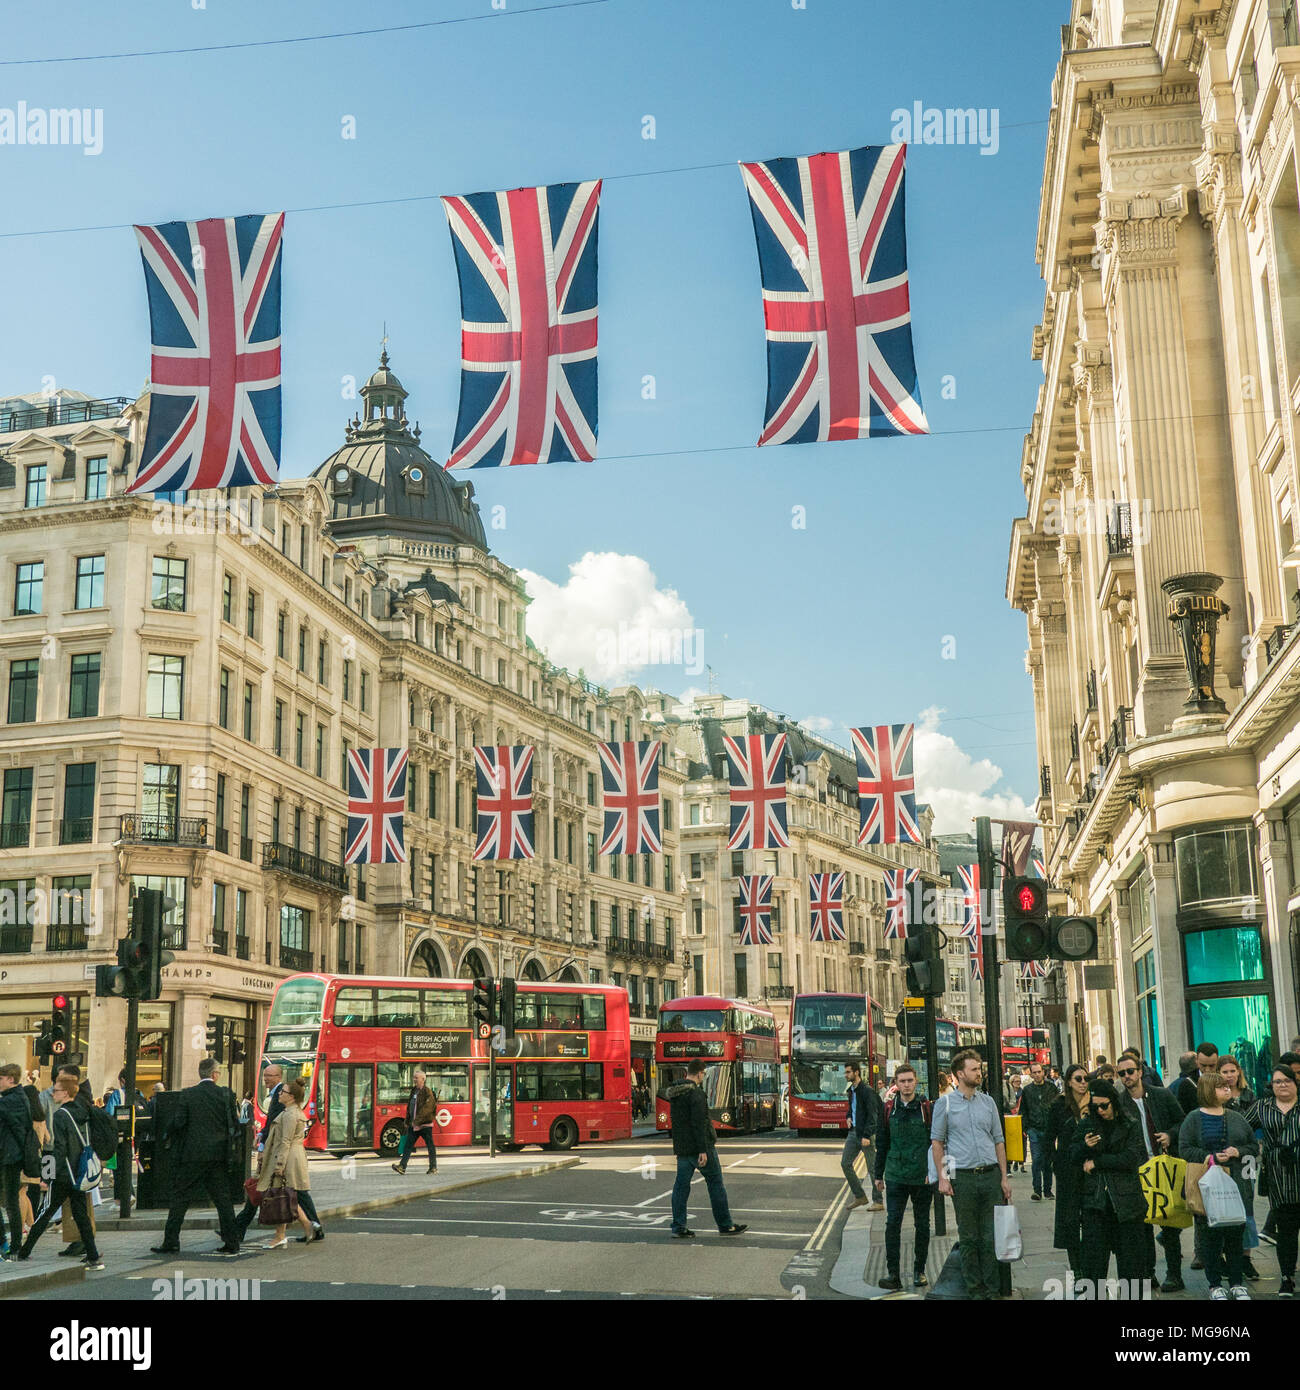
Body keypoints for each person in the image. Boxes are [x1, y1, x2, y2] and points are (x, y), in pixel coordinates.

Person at [931, 1049, 1012, 1300]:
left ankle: (993, 1290)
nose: (980, 1073)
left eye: (980, 1068)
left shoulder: (988, 1102)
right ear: (960, 1074)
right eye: (974, 1069)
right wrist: (943, 1178)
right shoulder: (944, 1104)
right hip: (962, 1177)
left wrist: (1004, 1177)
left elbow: (999, 1141)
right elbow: (937, 1143)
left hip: (990, 1176)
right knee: (969, 1237)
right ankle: (975, 1290)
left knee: (990, 1237)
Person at [1178, 1072, 1259, 1301]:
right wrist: (1211, 1157)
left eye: (1227, 1086)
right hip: (1206, 1186)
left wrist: (1238, 1151)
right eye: (1220, 1087)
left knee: (1235, 1235)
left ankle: (1236, 1283)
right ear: (1207, 1090)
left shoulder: (1235, 1117)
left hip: (1235, 1184)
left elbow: (1253, 1146)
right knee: (1210, 1238)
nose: (1227, 1089)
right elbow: (1184, 1149)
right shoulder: (1193, 1118)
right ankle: (1215, 1284)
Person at [150, 1058, 241, 1256]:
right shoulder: (225, 1094)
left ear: (201, 1073)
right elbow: (234, 1123)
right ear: (215, 1074)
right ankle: (231, 1241)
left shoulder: (188, 1094)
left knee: (180, 1198)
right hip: (218, 1156)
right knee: (223, 1200)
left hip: (192, 1155)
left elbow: (180, 1122)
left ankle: (171, 1241)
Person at [12, 1075, 103, 1270]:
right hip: (78, 1172)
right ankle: (94, 1256)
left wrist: (47, 1175)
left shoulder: (61, 1115)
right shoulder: (82, 1111)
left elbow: (57, 1148)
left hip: (63, 1174)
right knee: (80, 1215)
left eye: (58, 1090)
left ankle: (23, 1251)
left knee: (45, 1212)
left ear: (67, 1093)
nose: (54, 1093)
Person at [1115, 1053, 1186, 1291]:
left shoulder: (1161, 1095)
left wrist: (1169, 1135)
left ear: (1140, 1072)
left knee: (1169, 1224)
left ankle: (1174, 1274)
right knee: (1143, 1226)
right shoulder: (1119, 1104)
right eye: (1122, 1073)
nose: (1127, 1076)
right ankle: (1148, 1273)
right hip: (1137, 1172)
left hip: (1163, 1167)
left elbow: (1181, 1122)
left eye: (1130, 1071)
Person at [1075, 1079, 1148, 1298]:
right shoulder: (1087, 1125)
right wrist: (1083, 1147)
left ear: (1113, 1103)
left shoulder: (1130, 1123)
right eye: (1095, 1106)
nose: (1100, 1110)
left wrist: (1098, 1162)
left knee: (1131, 1266)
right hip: (1096, 1203)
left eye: (1104, 1105)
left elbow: (1132, 1158)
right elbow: (1069, 1156)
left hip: (1126, 1202)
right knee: (1094, 1267)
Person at [665, 1058, 746, 1238]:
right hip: (701, 1148)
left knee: (681, 1187)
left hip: (683, 1149)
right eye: (703, 1074)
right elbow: (699, 1124)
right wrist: (703, 1149)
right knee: (715, 1183)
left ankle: (678, 1226)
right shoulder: (697, 1094)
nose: (703, 1077)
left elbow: (678, 1124)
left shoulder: (675, 1094)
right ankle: (725, 1225)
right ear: (700, 1073)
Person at [871, 1063, 933, 1290]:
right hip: (895, 1175)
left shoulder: (927, 1109)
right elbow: (882, 1143)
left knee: (922, 1225)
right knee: (892, 1224)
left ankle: (919, 1271)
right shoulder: (888, 1109)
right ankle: (893, 1274)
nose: (906, 1085)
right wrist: (878, 1175)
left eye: (910, 1080)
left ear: (916, 1081)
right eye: (902, 1081)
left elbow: (935, 1143)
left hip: (921, 1177)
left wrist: (935, 1173)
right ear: (896, 1084)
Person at [257, 1077, 322, 1247]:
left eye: (283, 1091)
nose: (279, 1093)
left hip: (288, 1159)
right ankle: (288, 1232)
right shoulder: (291, 1112)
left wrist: (279, 1165)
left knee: (283, 1196)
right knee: (285, 1196)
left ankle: (299, 1228)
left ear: (291, 1096)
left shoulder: (291, 1115)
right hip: (291, 1157)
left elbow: (285, 1141)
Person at [1254, 1065, 1300, 1296]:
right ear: (1271, 1085)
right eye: (1277, 1081)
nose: (1282, 1085)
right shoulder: (1263, 1107)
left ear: (1295, 1083)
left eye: (1287, 1081)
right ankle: (1287, 1278)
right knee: (1287, 1232)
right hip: (1279, 1180)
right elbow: (1240, 1126)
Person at [1216, 1056, 1261, 1279]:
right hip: (1223, 1162)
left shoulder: (1248, 1095)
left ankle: (1246, 1257)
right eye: (1225, 1072)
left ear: (1239, 1072)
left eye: (1233, 1071)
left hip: (1246, 1160)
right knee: (1223, 1208)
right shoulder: (1215, 1097)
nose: (1230, 1075)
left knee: (1247, 1209)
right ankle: (1226, 1255)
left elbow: (1253, 1127)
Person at [1047, 1064, 1091, 1276]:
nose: (1083, 1083)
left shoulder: (1095, 1103)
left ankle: (1091, 1265)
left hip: (1090, 1168)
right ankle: (1077, 1269)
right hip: (1068, 1170)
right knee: (1071, 1220)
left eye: (1085, 1078)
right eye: (1078, 1079)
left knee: (1091, 1218)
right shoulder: (1059, 1106)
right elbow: (1049, 1138)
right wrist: (1056, 1164)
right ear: (1069, 1082)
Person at [233, 1065, 284, 1244]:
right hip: (272, 1152)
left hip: (274, 1154)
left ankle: (311, 1226)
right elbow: (270, 1123)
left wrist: (262, 1147)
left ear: (279, 1076)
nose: (265, 1079)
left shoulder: (280, 1095)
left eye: (269, 1076)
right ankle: (238, 1228)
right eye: (264, 1075)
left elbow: (274, 1126)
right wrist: (262, 1136)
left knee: (262, 1189)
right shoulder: (276, 1094)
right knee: (259, 1190)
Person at [0, 1063, 34, 1258]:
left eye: (1, 1079)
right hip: (12, 1155)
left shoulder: (10, 1101)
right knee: (11, 1200)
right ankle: (10, 1244)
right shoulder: (18, 1098)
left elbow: (17, 1129)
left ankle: (13, 1245)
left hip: (9, 1156)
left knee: (11, 1201)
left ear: (11, 1080)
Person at [841, 1061, 880, 1211]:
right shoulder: (851, 1090)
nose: (846, 1075)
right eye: (845, 1072)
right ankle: (860, 1196)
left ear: (856, 1072)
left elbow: (873, 1115)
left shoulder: (867, 1091)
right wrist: (848, 1116)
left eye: (848, 1072)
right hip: (854, 1132)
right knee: (845, 1163)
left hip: (866, 1135)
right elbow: (852, 1108)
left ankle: (878, 1201)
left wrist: (867, 1135)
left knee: (872, 1168)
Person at [1019, 1062, 1057, 1203]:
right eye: (1034, 1072)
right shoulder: (1027, 1090)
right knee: (1036, 1160)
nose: (1036, 1075)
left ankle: (1047, 1190)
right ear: (1031, 1074)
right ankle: (1037, 1190)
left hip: (1049, 1130)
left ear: (1043, 1072)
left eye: (1038, 1072)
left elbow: (1056, 1107)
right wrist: (1026, 1128)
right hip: (1034, 1129)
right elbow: (1023, 1110)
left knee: (1048, 1161)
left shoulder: (1051, 1088)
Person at [392, 1069, 438, 1175]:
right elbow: (410, 1107)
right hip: (414, 1124)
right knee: (408, 1145)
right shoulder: (414, 1091)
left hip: (425, 1124)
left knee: (430, 1146)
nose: (414, 1080)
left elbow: (427, 1109)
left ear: (423, 1079)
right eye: (414, 1077)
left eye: (416, 1078)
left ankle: (433, 1167)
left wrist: (416, 1121)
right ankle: (402, 1167)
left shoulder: (427, 1092)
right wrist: (407, 1121)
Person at [1175, 1043, 1219, 1115]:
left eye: (1212, 1066)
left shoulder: (1224, 1080)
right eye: (1203, 1065)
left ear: (1217, 1061)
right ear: (1197, 1061)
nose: (1207, 1070)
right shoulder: (1187, 1085)